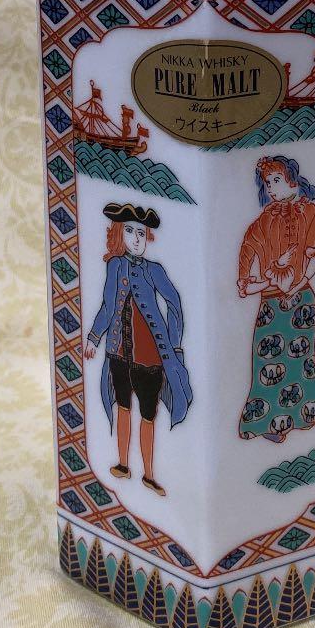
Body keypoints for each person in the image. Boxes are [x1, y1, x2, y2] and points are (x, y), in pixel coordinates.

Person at [85, 202, 191, 495]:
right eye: (130, 231)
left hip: (149, 356)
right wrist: (94, 337)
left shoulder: (154, 270)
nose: (135, 239)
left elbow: (174, 303)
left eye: (141, 233)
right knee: (122, 406)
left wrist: (174, 342)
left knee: (147, 413)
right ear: (119, 233)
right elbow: (108, 306)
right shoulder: (115, 265)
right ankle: (122, 463)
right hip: (118, 351)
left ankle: (149, 474)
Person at [236, 157, 315, 442]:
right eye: (268, 183)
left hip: (301, 298)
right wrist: (248, 280)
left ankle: (302, 418)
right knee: (266, 360)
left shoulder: (313, 213)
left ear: (293, 180)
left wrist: (298, 283)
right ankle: (265, 424)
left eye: (276, 180)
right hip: (271, 300)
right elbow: (247, 249)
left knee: (301, 359)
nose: (271, 188)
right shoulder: (264, 220)